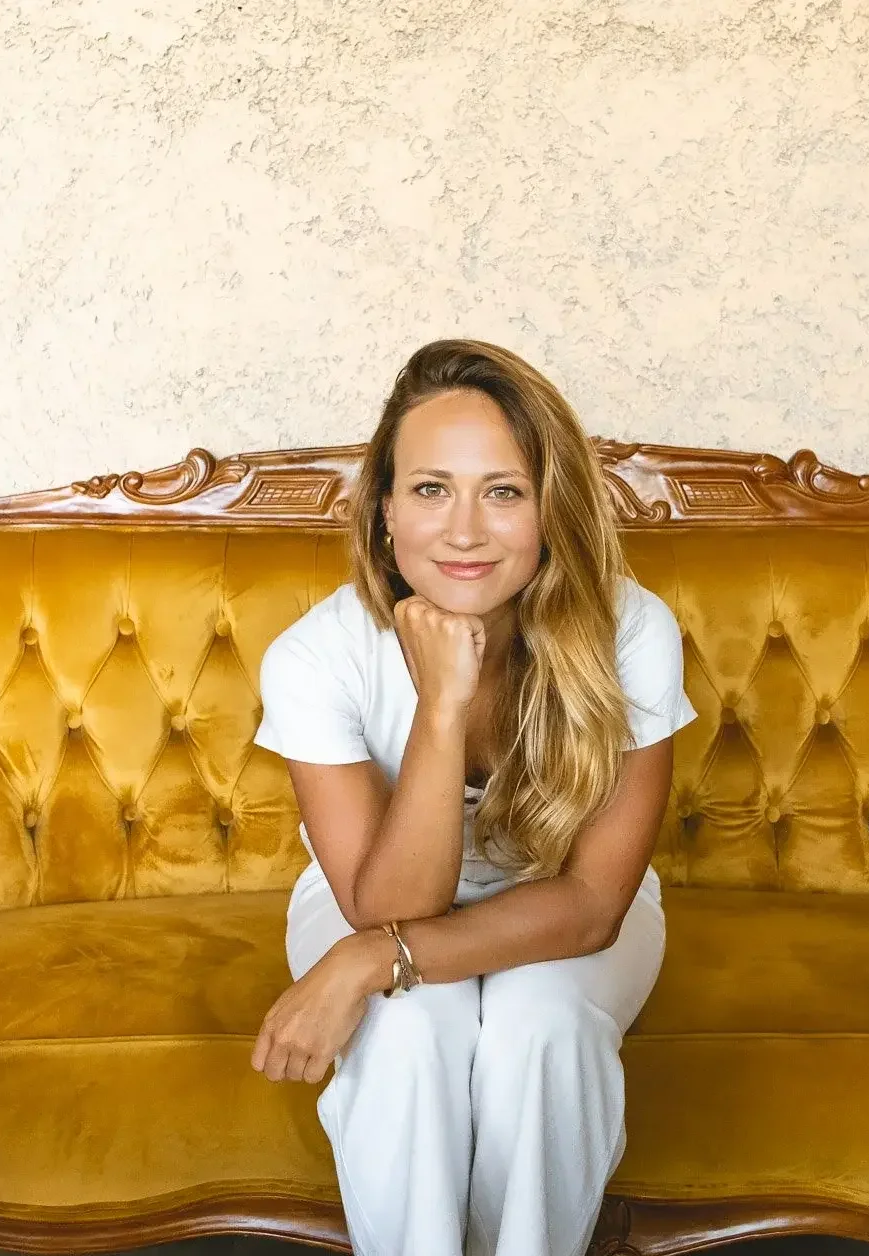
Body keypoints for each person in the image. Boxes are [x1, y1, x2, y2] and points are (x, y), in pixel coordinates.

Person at [250, 338, 698, 1256]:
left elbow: (591, 904)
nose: (464, 531)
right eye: (430, 489)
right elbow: (384, 906)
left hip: (560, 900)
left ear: (550, 509)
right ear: (384, 509)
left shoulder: (631, 628)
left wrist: (365, 963)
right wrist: (443, 706)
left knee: (545, 1027)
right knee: (409, 1034)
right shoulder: (316, 656)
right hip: (372, 893)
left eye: (503, 491)